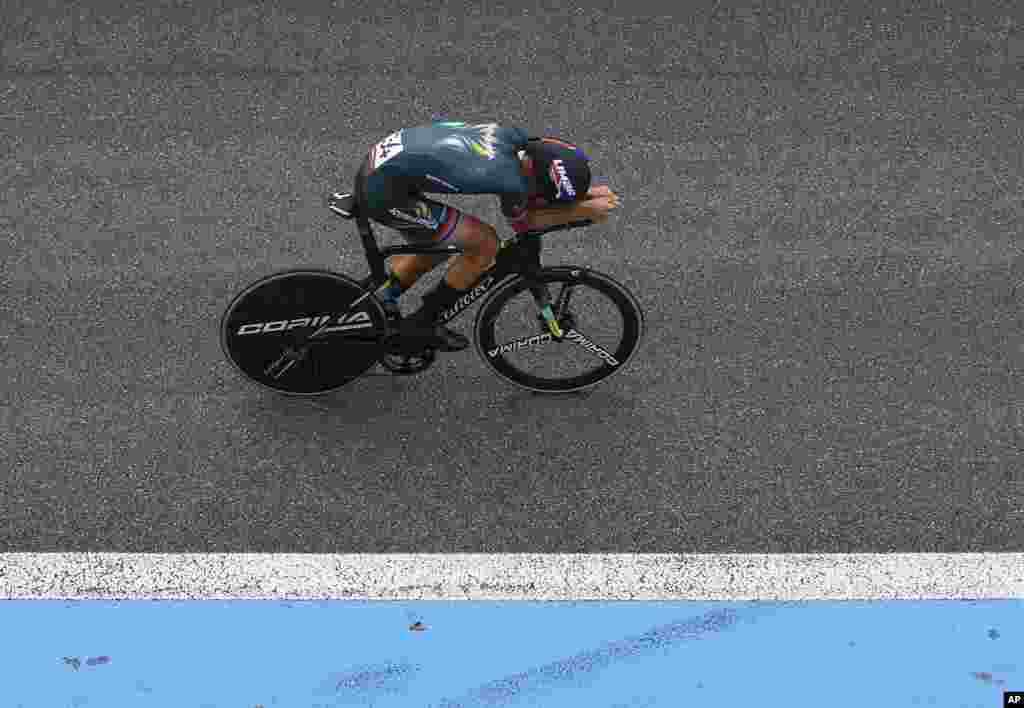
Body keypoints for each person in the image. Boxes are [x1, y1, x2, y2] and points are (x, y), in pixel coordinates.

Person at [353, 121, 620, 351]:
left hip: (383, 168)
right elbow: (525, 222)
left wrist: (582, 195)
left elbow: (533, 197)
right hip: (384, 192)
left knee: (434, 247)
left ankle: (379, 300)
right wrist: (583, 209)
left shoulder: (514, 139)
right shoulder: (507, 179)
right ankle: (424, 322)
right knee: (483, 243)